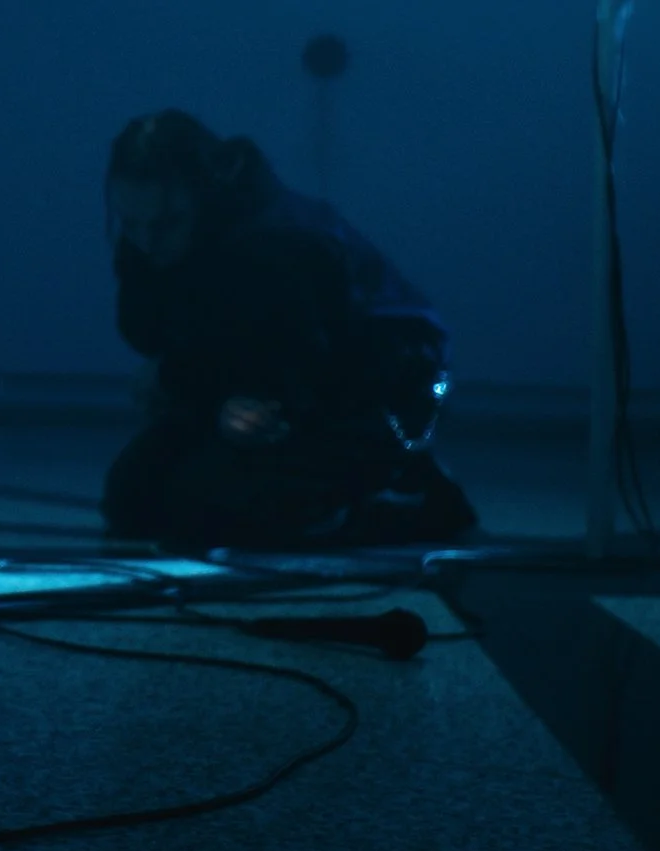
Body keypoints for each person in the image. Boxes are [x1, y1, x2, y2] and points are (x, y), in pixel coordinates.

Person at [99, 108, 481, 550]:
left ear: (205, 196)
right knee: (133, 498)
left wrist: (183, 381)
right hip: (274, 381)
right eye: (131, 224)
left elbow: (298, 367)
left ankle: (405, 490)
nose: (146, 241)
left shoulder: (277, 246)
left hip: (371, 389)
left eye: (165, 224)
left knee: (209, 508)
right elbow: (161, 332)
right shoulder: (165, 233)